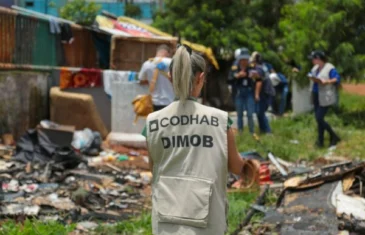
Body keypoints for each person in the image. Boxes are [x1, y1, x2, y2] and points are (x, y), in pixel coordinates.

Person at [142, 45, 259, 235]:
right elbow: (237, 168)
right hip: (208, 220)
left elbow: (153, 168)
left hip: (166, 218)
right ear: (201, 78)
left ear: (170, 77)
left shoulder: (152, 122)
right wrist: (251, 166)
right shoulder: (221, 120)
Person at [308, 50, 341, 147]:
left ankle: (333, 135)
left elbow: (336, 78)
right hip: (316, 94)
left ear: (318, 59)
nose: (312, 61)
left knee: (319, 117)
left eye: (313, 59)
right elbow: (310, 74)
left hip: (325, 96)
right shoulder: (315, 68)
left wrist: (327, 81)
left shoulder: (329, 68)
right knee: (319, 119)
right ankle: (320, 141)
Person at [229, 48, 262, 134]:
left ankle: (252, 132)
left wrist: (255, 76)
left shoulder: (252, 67)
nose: (244, 61)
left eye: (246, 59)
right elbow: (229, 80)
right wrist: (237, 76)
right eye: (242, 59)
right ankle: (240, 132)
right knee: (239, 114)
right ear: (240, 60)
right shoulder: (234, 67)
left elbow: (259, 79)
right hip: (239, 93)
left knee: (250, 114)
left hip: (249, 92)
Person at [139, 44, 174, 111]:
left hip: (154, 102)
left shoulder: (147, 63)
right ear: (168, 53)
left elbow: (141, 80)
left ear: (157, 52)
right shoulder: (172, 62)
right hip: (171, 102)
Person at [250, 52, 275, 134]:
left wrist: (256, 94)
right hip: (267, 92)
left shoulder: (258, 68)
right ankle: (262, 130)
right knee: (259, 112)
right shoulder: (263, 66)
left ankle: (268, 131)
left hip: (264, 93)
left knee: (260, 112)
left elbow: (259, 82)